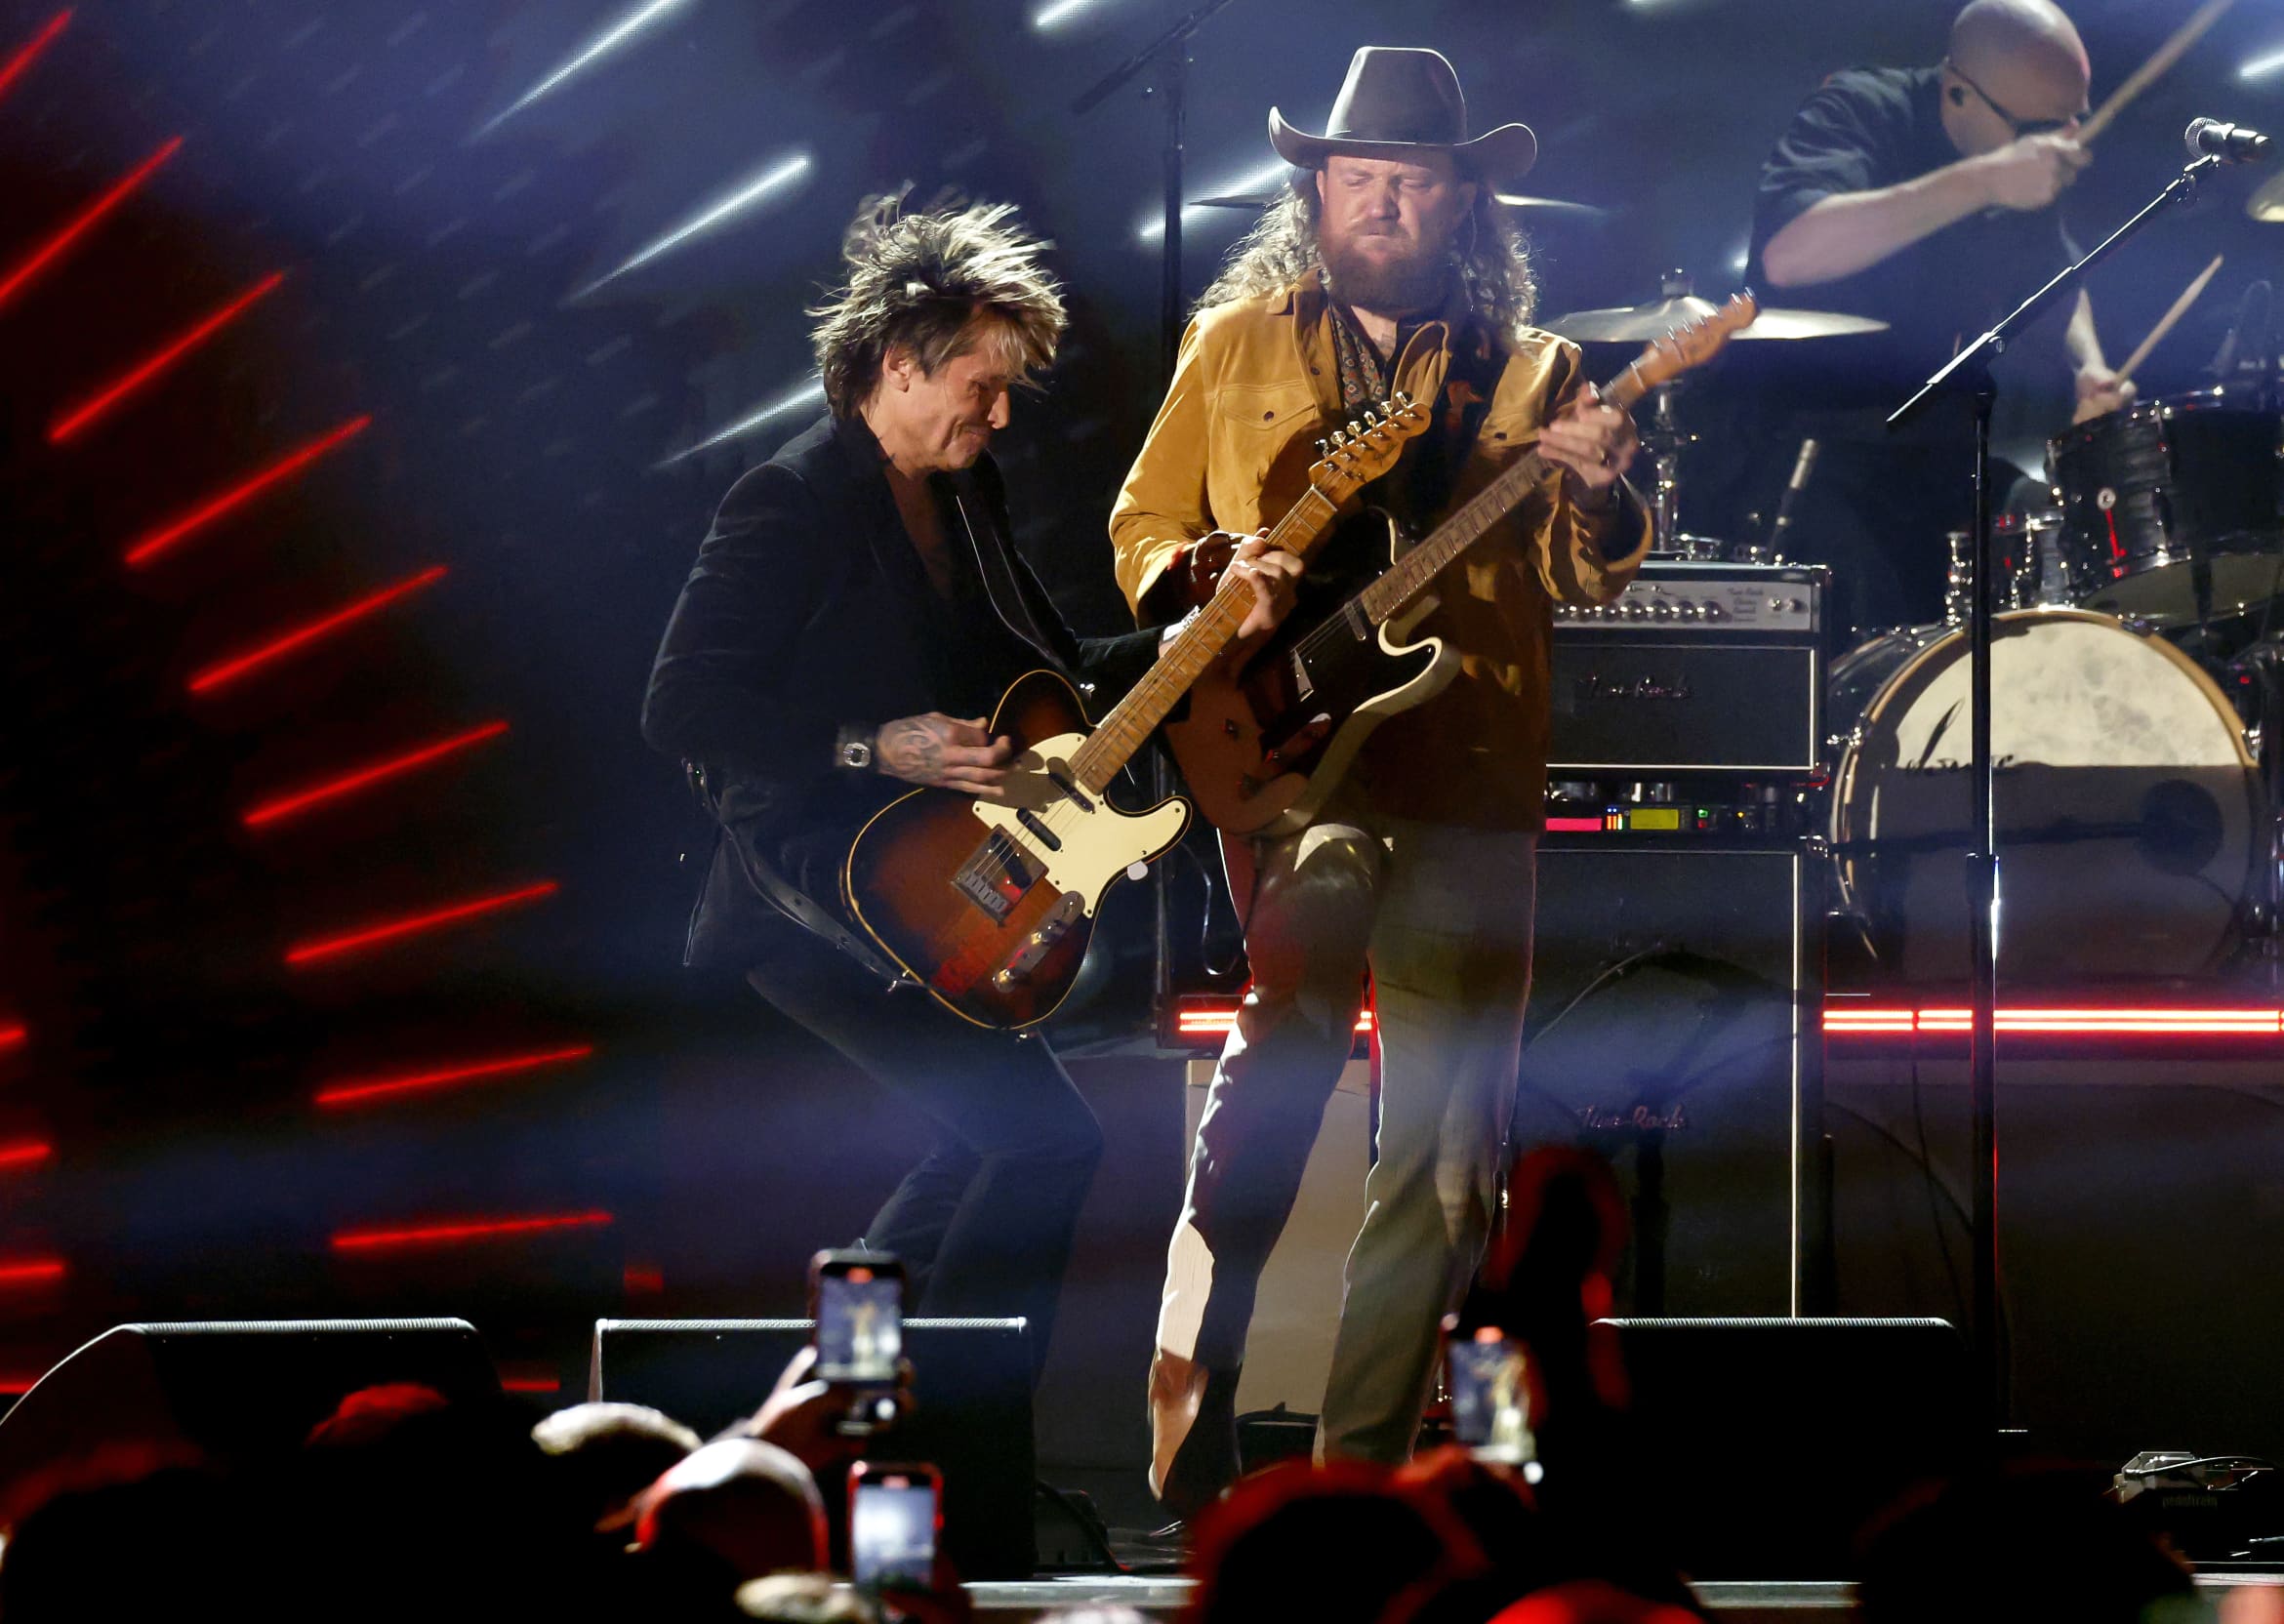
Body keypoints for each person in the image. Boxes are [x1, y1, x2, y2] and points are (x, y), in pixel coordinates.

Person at [1110, 47, 1651, 1511]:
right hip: (1295, 772)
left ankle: (1356, 1485)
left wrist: (1598, 485)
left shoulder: (1535, 375)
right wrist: (1212, 575)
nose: (1383, 204)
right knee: (1273, 1085)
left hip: (1468, 778)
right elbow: (1142, 526)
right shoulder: (1235, 344)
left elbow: (1579, 573)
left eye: (1411, 182)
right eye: (1358, 179)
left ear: (1465, 200)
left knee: (1448, 1160)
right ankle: (1194, 1390)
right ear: (1317, 191)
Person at [641, 197, 1302, 1383]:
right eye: (981, 387)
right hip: (820, 901)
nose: (999, 415)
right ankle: (949, 1420)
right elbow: (682, 705)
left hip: (948, 881)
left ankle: (850, 1396)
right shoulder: (788, 500)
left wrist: (1193, 637)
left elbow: (1056, 674)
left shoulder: (964, 493)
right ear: (898, 364)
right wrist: (874, 746)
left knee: (995, 1142)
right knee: (1040, 1141)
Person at [1744, 0, 2130, 631]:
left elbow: (2054, 278)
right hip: (1818, 448)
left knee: (2064, 543)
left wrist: (2090, 365)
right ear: (1958, 93)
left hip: (1944, 441)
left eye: (2072, 123)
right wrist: (1981, 181)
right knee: (1875, 618)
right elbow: (1787, 256)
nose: (2060, 144)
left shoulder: (2019, 155)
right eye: (2039, 128)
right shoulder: (1860, 109)